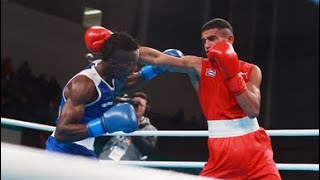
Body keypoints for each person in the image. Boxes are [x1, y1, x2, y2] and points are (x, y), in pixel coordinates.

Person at [137, 18, 281, 179]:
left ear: (229, 40)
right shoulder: (198, 66)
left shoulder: (251, 70)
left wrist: (232, 75)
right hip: (221, 152)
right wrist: (117, 43)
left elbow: (253, 110)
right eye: (204, 40)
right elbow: (156, 57)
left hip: (257, 153)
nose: (206, 44)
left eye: (212, 38)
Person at [45, 27, 140, 159]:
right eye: (131, 64)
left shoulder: (110, 78)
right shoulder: (84, 85)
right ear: (113, 63)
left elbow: (130, 83)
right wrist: (103, 125)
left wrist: (156, 69)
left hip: (85, 149)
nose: (135, 69)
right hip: (64, 150)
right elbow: (62, 133)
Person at [95, 92, 157, 161]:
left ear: (146, 108)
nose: (137, 107)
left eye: (141, 105)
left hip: (127, 167)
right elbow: (100, 140)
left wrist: (133, 130)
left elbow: (148, 150)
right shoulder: (118, 118)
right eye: (135, 104)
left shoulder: (150, 129)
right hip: (106, 161)